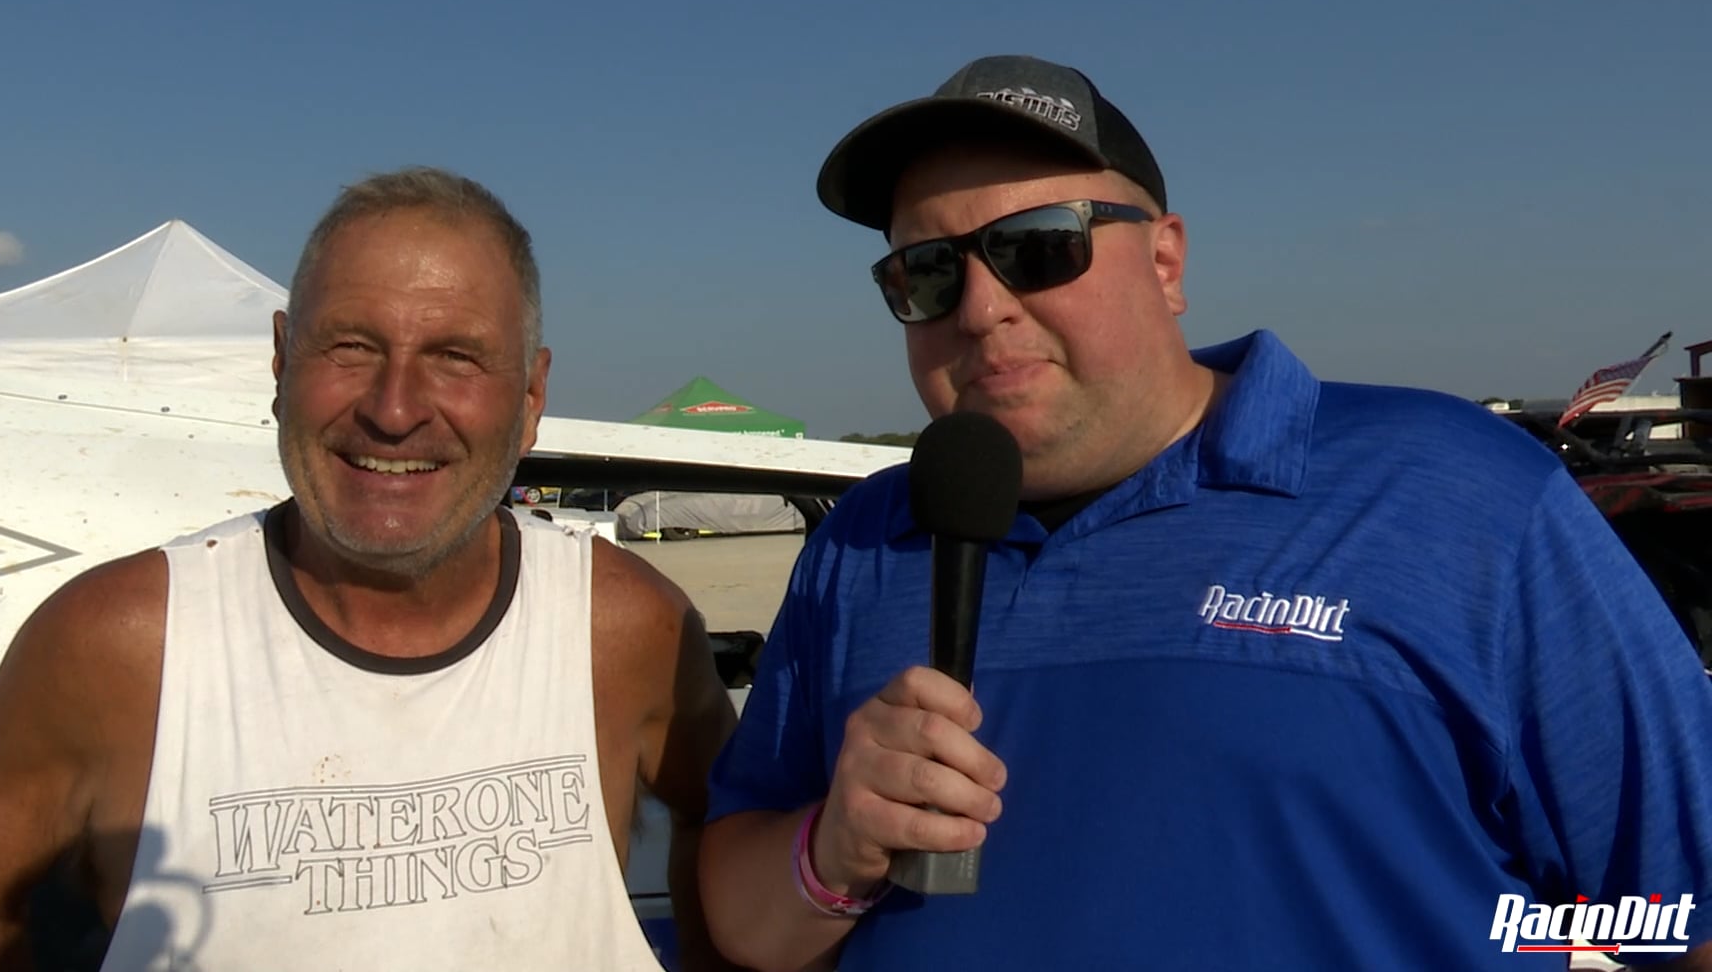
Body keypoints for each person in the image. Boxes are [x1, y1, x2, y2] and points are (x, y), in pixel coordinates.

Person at [697, 54, 1712, 970]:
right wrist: (831, 851)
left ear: (1167, 262)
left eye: (1040, 247)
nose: (980, 307)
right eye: (927, 270)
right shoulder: (861, 543)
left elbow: (1679, 909)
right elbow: (743, 917)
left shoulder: (1460, 496)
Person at [0, 166, 741, 971]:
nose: (395, 409)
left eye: (455, 356)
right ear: (280, 363)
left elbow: (728, 835)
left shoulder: (625, 626)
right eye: (351, 347)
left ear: (530, 398)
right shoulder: (121, 644)